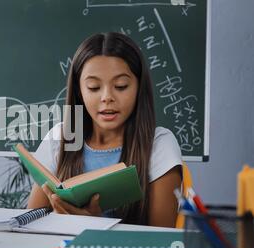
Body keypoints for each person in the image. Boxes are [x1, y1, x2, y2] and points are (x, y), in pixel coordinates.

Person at [27, 32, 182, 227]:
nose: (107, 97)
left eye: (121, 86)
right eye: (93, 87)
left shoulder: (159, 144)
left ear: (138, 87)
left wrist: (96, 226)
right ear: (79, 91)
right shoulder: (61, 137)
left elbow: (161, 241)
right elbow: (29, 223)